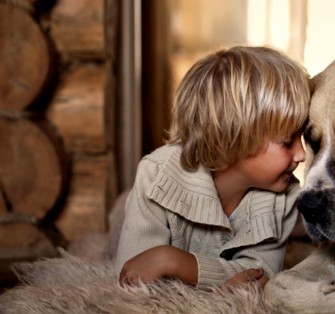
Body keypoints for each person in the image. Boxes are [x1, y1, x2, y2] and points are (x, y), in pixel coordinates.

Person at [115, 46, 310, 290]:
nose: (302, 154)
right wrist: (224, 281)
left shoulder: (285, 196)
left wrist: (173, 261)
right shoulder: (156, 175)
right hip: (145, 199)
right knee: (118, 221)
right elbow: (133, 274)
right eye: (287, 142)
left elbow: (260, 277)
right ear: (236, 136)